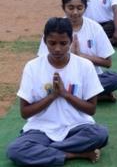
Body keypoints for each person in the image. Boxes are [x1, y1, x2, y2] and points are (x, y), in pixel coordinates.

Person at [6, 17, 109, 166]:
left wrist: (65, 94)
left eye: (63, 43)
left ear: (71, 41)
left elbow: (91, 109)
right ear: (45, 41)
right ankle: (73, 154)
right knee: (15, 150)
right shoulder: (32, 67)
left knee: (100, 134)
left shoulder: (84, 65)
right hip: (41, 129)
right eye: (52, 43)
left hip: (76, 127)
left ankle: (44, 151)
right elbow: (25, 113)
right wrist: (53, 96)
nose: (57, 49)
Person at [38, 0, 117, 102]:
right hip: (61, 78)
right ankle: (90, 96)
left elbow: (108, 62)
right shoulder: (54, 28)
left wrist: (80, 56)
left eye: (79, 8)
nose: (75, 12)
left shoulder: (95, 28)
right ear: (63, 7)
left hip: (89, 79)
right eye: (70, 8)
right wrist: (68, 57)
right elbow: (42, 61)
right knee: (45, 82)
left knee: (114, 79)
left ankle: (70, 95)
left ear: (85, 8)